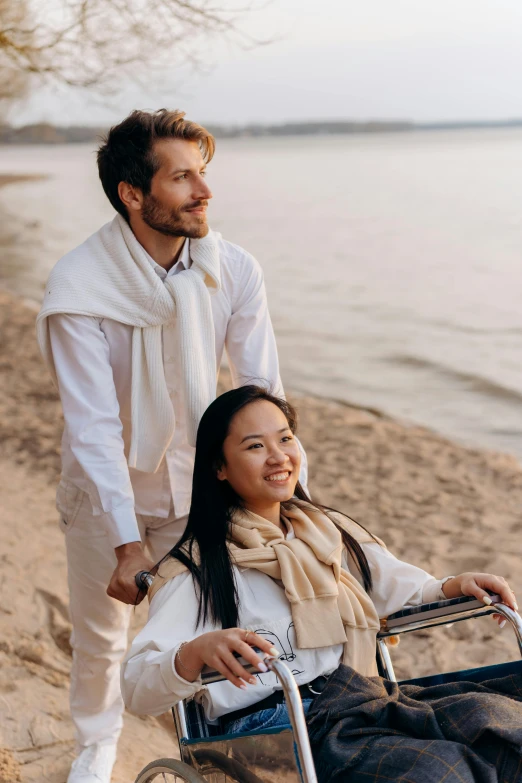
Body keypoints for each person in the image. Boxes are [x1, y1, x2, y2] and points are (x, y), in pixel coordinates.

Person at [36, 110, 307, 783]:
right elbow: (93, 425)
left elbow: (260, 393)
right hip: (106, 493)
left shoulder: (233, 269)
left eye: (203, 173)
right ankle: (96, 747)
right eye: (182, 177)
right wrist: (127, 541)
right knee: (103, 636)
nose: (204, 190)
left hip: (199, 488)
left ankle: (220, 752)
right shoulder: (80, 288)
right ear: (134, 193)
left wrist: (287, 495)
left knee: (218, 622)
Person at [122, 386, 522, 783]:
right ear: (219, 467)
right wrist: (194, 652)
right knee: (442, 771)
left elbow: (399, 587)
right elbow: (138, 686)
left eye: (285, 439)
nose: (278, 457)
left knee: (499, 728)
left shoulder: (324, 531)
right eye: (255, 446)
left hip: (360, 702)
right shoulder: (195, 569)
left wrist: (454, 585)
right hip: (276, 731)